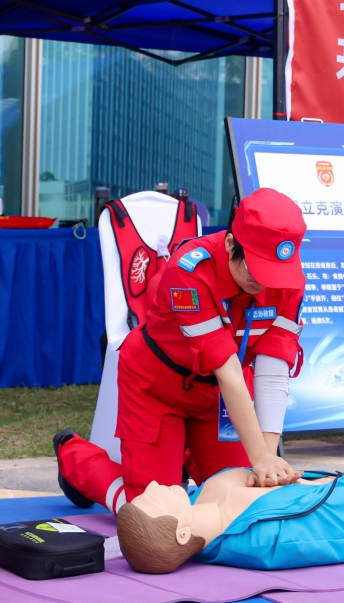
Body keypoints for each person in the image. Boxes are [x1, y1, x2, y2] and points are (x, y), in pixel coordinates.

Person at [55, 188, 307, 515]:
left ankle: (182, 458)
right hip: (156, 387)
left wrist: (267, 460)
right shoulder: (190, 270)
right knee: (152, 513)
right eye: (255, 268)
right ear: (231, 243)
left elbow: (272, 372)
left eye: (273, 270)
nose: (264, 282)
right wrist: (258, 456)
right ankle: (74, 456)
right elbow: (227, 369)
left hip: (220, 397)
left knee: (242, 503)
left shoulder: (288, 280)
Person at [118, 467, 344, 574]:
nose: (152, 484)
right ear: (182, 533)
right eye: (155, 500)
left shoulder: (199, 499)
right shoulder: (264, 538)